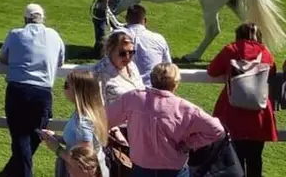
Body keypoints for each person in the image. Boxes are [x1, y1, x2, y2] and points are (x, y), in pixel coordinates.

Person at [106, 63, 225, 177]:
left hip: (141, 168)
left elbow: (105, 120)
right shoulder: (185, 108)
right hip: (174, 170)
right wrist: (189, 143)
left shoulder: (132, 98)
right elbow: (217, 129)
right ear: (176, 83)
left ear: (152, 79)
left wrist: (116, 132)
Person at [0, 3, 65, 177]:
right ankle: (7, 174)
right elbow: (60, 61)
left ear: (25, 19)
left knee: (21, 141)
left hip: (18, 91)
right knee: (32, 139)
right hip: (43, 93)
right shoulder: (54, 36)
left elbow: (3, 58)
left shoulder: (15, 34)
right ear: (43, 19)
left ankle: (13, 174)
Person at [206, 22, 276, 177]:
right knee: (255, 160)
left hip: (232, 114)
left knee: (233, 161)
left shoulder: (231, 49)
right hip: (259, 116)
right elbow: (272, 70)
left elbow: (212, 70)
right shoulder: (266, 53)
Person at [38, 69, 108, 177]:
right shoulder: (85, 113)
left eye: (66, 85)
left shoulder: (83, 122)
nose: (63, 88)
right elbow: (78, 143)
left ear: (77, 91)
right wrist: (57, 137)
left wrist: (57, 149)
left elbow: (85, 163)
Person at [118, 5, 171, 86]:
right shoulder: (158, 39)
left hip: (123, 89)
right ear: (145, 20)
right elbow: (168, 67)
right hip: (151, 90)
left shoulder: (116, 36)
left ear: (126, 19)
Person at [92, 30, 144, 105]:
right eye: (122, 53)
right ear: (110, 50)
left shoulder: (132, 66)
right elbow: (97, 106)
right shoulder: (99, 73)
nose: (127, 57)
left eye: (131, 52)